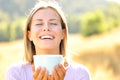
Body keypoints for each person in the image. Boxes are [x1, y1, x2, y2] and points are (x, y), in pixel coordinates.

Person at [5, 0, 91, 80]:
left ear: (63, 33)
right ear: (29, 35)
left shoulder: (80, 74)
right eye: (39, 24)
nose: (46, 28)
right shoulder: (15, 73)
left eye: (53, 23)